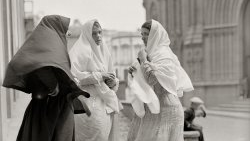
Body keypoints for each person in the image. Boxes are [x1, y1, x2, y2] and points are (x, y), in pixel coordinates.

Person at [2, 15, 90, 141]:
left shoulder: (43, 45)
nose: (65, 33)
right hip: (52, 106)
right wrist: (54, 85)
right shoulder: (51, 46)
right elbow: (43, 68)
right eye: (63, 29)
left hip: (43, 106)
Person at [127, 19, 194, 141]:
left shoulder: (164, 55)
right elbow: (144, 83)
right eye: (141, 34)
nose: (143, 38)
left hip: (167, 112)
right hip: (152, 111)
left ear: (155, 35)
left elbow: (152, 80)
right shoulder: (149, 54)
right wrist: (134, 73)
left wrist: (143, 61)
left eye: (146, 34)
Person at [69, 19, 122, 141]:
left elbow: (112, 74)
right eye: (94, 33)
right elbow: (74, 78)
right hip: (88, 106)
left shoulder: (104, 51)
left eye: (100, 32)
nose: (98, 36)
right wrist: (99, 76)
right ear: (87, 34)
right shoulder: (79, 52)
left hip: (106, 105)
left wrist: (112, 82)